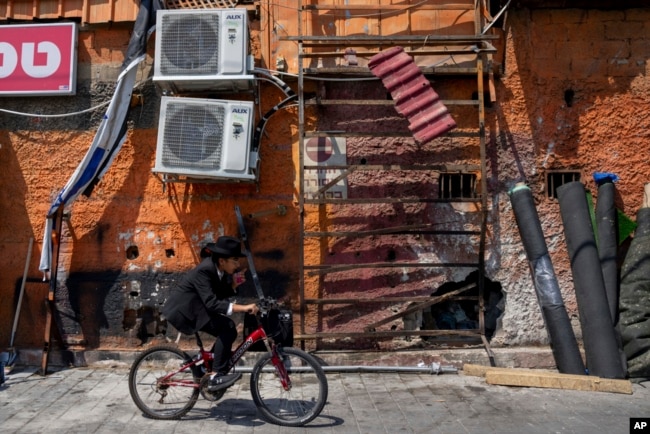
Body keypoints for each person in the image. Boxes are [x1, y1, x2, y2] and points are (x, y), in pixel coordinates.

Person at [162, 236, 259, 391]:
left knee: (228, 328)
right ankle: (215, 376)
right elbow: (212, 303)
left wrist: (234, 284)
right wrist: (243, 307)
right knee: (227, 327)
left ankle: (204, 369)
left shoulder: (217, 270)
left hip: (197, 308)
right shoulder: (205, 270)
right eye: (235, 260)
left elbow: (217, 296)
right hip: (185, 312)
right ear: (222, 260)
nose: (238, 264)